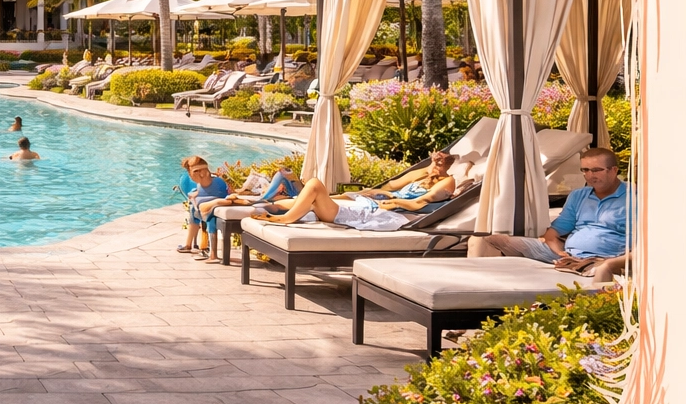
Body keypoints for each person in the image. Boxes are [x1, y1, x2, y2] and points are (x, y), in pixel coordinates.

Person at [470, 147, 631, 270]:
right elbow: (552, 234)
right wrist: (561, 253)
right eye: (585, 170)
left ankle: (580, 267)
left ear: (614, 170)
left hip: (601, 260)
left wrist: (602, 261)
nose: (590, 175)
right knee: (492, 239)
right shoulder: (579, 195)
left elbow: (640, 246)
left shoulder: (634, 198)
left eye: (596, 170)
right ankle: (488, 285)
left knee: (591, 265)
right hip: (563, 254)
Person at [252, 151, 460, 231]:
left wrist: (395, 202)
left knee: (314, 185)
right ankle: (250, 205)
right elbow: (390, 186)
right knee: (296, 202)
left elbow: (419, 203)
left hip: (383, 211)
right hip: (373, 201)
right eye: (434, 162)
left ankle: (286, 219)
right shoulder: (426, 173)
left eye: (439, 165)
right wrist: (375, 191)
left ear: (447, 167)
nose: (434, 167)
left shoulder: (448, 181)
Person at [176, 157, 229, 260]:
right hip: (204, 210)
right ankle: (189, 244)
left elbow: (222, 194)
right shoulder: (200, 185)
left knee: (203, 215)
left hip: (211, 210)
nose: (202, 174)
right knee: (193, 210)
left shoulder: (218, 182)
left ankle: (191, 245)